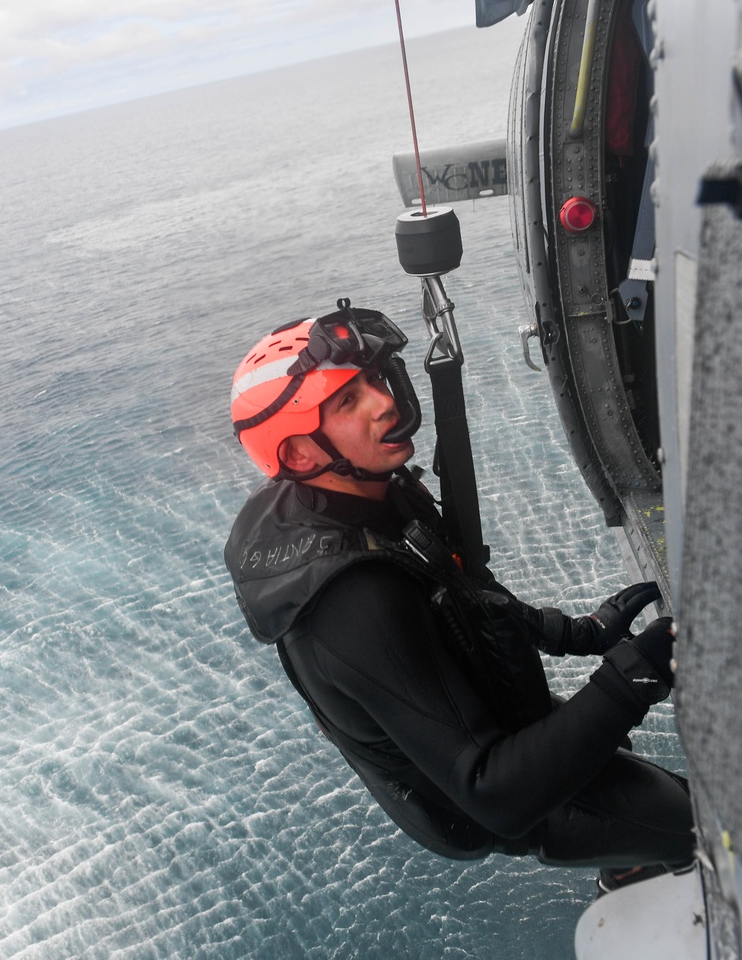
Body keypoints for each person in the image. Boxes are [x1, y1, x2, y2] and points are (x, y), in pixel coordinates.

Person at [224, 301, 695, 876]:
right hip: (502, 799)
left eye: (374, 379)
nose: (384, 402)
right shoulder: (354, 603)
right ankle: (660, 863)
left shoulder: (358, 494)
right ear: (298, 453)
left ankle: (627, 863)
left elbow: (461, 594)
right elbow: (496, 795)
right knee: (711, 823)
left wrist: (579, 635)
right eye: (348, 401)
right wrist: (636, 674)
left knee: (614, 753)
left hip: (491, 712)